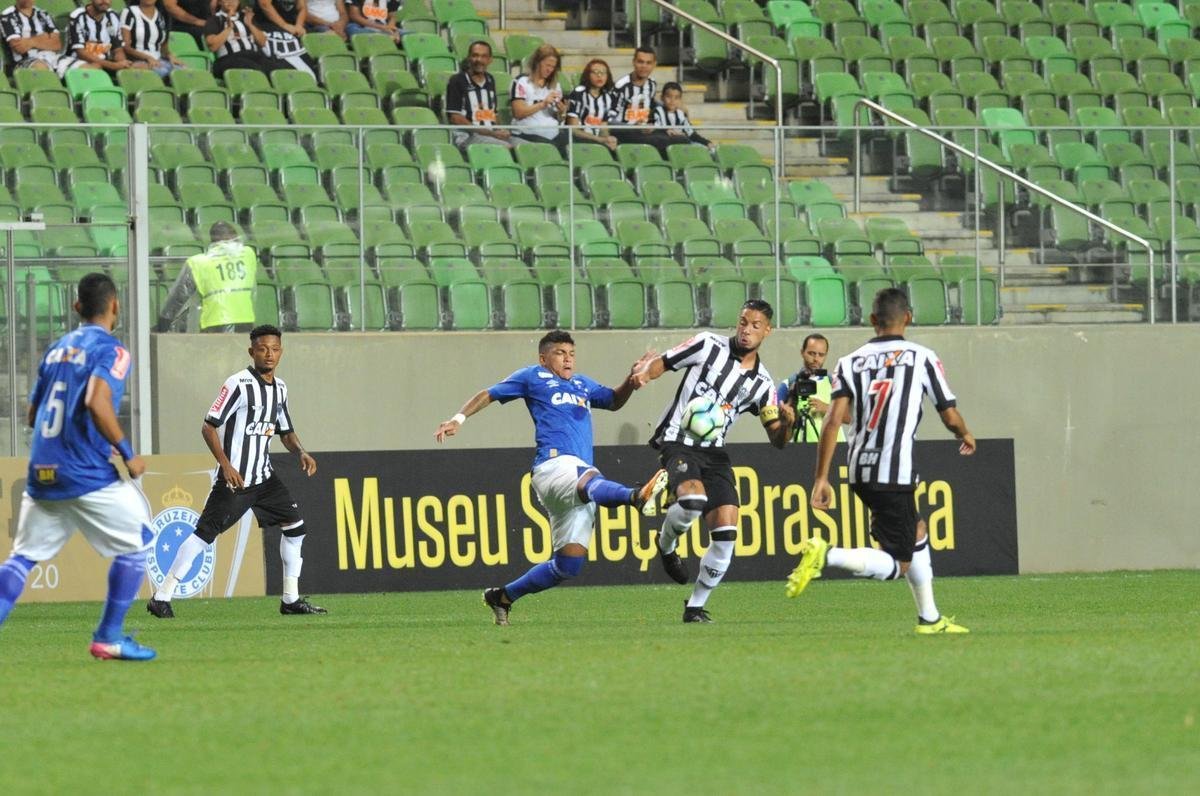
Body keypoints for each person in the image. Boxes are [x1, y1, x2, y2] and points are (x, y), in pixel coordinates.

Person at [434, 330, 669, 627]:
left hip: (579, 484)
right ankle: (635, 496)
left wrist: (632, 381)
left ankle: (502, 597)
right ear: (543, 358)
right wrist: (458, 419)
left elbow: (612, 400)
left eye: (571, 353)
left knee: (568, 564)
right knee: (590, 478)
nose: (568, 358)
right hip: (554, 466)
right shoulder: (532, 377)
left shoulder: (583, 384)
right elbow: (488, 394)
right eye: (560, 353)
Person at [785, 288, 976, 635]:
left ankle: (930, 619)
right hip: (894, 471)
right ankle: (826, 555)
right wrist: (964, 434)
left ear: (872, 320)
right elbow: (949, 415)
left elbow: (832, 422)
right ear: (909, 317)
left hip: (859, 468)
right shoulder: (921, 357)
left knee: (916, 530)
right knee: (898, 563)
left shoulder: (849, 362)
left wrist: (821, 478)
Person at [0, 273, 156, 661]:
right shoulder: (114, 351)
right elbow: (97, 401)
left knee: (22, 558)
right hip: (86, 472)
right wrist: (127, 453)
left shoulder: (55, 350)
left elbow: (34, 413)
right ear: (115, 305)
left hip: (43, 471)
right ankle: (109, 636)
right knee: (138, 543)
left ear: (76, 308)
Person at [631, 300, 796, 623]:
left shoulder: (762, 383)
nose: (747, 330)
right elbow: (665, 362)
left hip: (714, 451)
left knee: (726, 531)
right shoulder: (708, 345)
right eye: (743, 322)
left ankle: (694, 607)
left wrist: (788, 422)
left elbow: (776, 438)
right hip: (677, 439)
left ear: (767, 331)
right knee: (693, 501)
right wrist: (644, 376)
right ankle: (666, 547)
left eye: (755, 325)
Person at [147, 324, 327, 618]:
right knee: (205, 534)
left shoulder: (280, 389)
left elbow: (285, 431)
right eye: (263, 349)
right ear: (251, 351)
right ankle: (162, 595)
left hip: (265, 479)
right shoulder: (238, 384)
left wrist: (302, 451)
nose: (269, 354)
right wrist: (226, 465)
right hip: (237, 480)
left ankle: (290, 600)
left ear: (281, 352)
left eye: (275, 349)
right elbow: (209, 426)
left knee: (296, 528)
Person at [157, 221, 259, 333]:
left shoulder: (197, 263)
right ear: (235, 237)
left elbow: (176, 300)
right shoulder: (249, 254)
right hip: (246, 320)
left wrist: (162, 326)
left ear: (212, 240)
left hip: (214, 323)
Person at [776, 333, 845, 445]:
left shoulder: (834, 382)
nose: (816, 359)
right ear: (802, 352)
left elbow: (850, 417)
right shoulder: (788, 384)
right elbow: (776, 430)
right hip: (800, 451)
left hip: (834, 449)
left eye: (821, 355)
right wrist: (787, 418)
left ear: (826, 355)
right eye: (811, 353)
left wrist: (827, 409)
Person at [607, 46, 674, 156]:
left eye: (648, 63)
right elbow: (609, 120)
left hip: (645, 131)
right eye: (640, 62)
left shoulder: (652, 84)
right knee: (661, 142)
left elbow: (651, 107)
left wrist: (664, 127)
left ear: (654, 64)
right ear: (633, 62)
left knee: (680, 139)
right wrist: (633, 127)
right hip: (624, 132)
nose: (644, 66)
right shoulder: (621, 86)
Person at [445, 40, 512, 148]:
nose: (479, 60)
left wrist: (500, 129)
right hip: (468, 136)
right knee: (506, 147)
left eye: (484, 56)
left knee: (524, 147)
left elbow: (493, 113)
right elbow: (455, 117)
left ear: (490, 60)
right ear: (469, 58)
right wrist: (491, 133)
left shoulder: (490, 80)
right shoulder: (457, 80)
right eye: (475, 55)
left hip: (492, 135)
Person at [56, 0, 140, 76]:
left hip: (106, 62)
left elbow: (117, 49)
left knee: (136, 70)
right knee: (96, 67)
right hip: (79, 62)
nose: (104, 1)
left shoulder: (112, 16)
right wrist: (113, 65)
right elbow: (81, 53)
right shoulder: (78, 16)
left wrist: (122, 64)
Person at [510, 43, 568, 152]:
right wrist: (543, 104)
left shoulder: (555, 85)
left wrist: (562, 112)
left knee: (573, 148)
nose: (550, 70)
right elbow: (518, 113)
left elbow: (559, 118)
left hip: (553, 132)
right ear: (537, 63)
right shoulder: (521, 81)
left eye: (553, 67)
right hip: (528, 133)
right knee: (552, 150)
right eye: (547, 65)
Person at [204, 0, 278, 79]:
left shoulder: (245, 17)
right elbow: (212, 46)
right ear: (220, 2)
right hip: (228, 58)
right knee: (254, 69)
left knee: (276, 70)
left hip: (252, 55)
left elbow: (262, 42)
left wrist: (250, 25)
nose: (231, 2)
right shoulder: (215, 19)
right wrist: (228, 29)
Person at [565, 57, 618, 152]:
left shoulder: (607, 97)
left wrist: (607, 139)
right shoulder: (578, 94)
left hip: (598, 141)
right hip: (578, 141)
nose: (599, 76)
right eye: (595, 72)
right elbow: (573, 130)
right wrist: (600, 140)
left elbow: (603, 128)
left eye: (603, 73)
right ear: (587, 75)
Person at [121, 0, 185, 77]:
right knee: (162, 72)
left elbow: (163, 47)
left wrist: (170, 56)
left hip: (158, 60)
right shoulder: (129, 12)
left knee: (182, 71)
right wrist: (148, 58)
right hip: (137, 60)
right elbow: (125, 47)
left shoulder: (162, 15)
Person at [253, 0, 316, 76]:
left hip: (292, 26)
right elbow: (264, 4)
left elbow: (302, 8)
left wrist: (299, 25)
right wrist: (284, 25)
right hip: (268, 26)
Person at [1, 0, 63, 72]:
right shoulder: (8, 15)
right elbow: (20, 47)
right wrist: (44, 38)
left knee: (77, 67)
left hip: (52, 57)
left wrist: (30, 42)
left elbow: (57, 44)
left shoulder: (43, 14)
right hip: (24, 61)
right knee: (41, 68)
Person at [654, 81, 715, 153]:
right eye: (669, 97)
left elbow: (691, 134)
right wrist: (667, 131)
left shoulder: (681, 114)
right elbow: (654, 129)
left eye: (676, 98)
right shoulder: (657, 112)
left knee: (708, 149)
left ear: (680, 100)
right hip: (665, 147)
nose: (672, 100)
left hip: (681, 146)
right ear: (662, 98)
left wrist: (707, 142)